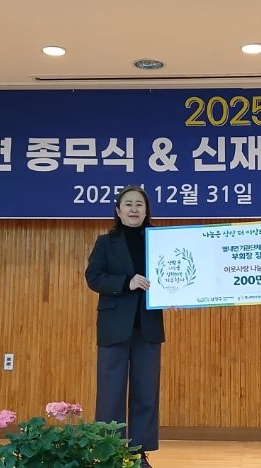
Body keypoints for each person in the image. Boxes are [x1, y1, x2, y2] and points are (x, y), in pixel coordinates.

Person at [85, 185, 163, 468]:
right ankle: (110, 453)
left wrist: (176, 295)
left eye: (139, 204)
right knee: (111, 393)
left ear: (146, 210)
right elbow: (93, 277)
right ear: (118, 211)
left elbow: (174, 274)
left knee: (146, 393)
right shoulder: (105, 243)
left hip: (148, 327)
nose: (134, 209)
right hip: (114, 327)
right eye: (128, 204)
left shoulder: (160, 241)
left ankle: (138, 454)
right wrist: (125, 283)